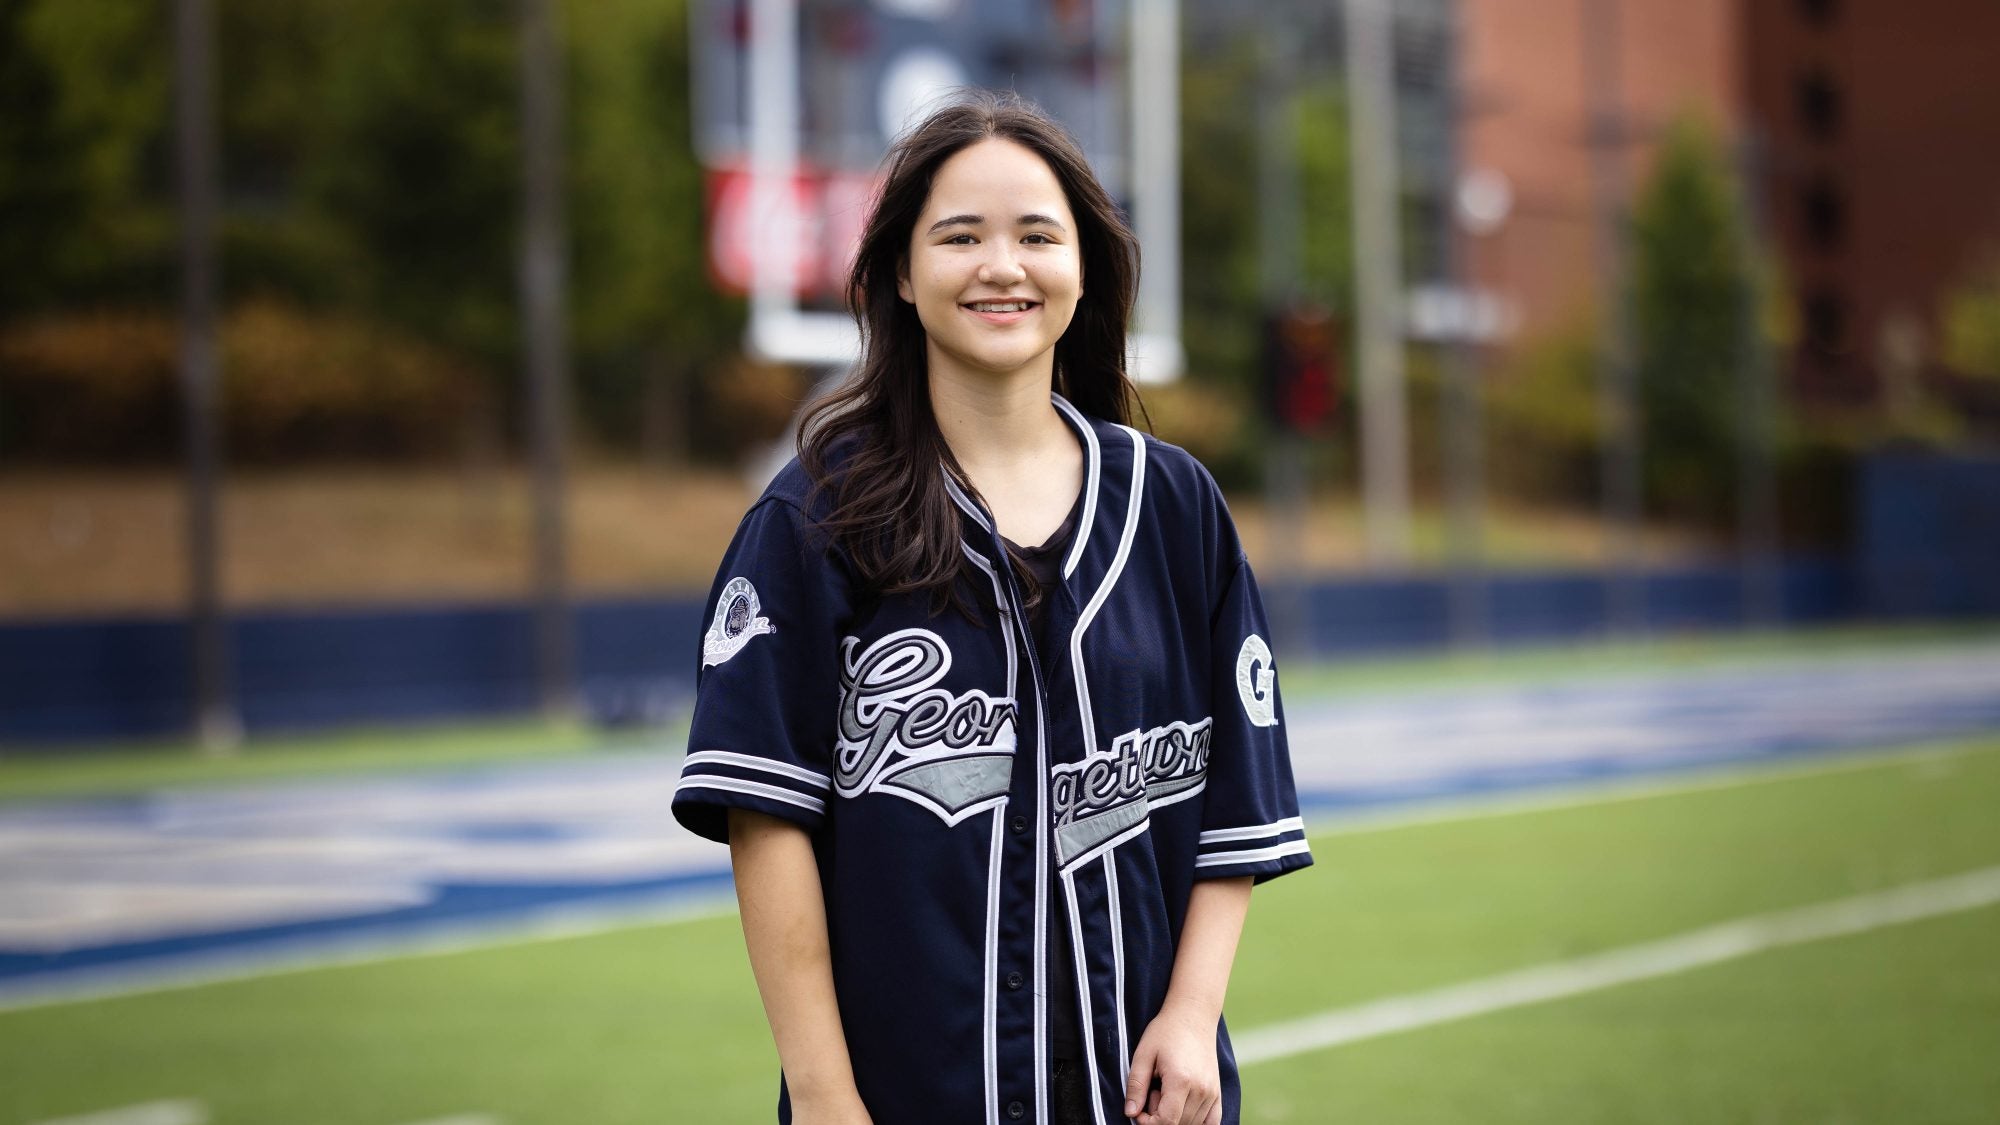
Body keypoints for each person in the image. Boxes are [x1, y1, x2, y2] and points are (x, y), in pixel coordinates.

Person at [673, 90, 1311, 1125]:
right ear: (900, 272)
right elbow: (767, 820)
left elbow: (1234, 804)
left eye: (1037, 237)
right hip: (900, 1097)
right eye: (960, 236)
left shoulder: (1174, 506)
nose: (1002, 266)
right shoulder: (815, 515)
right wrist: (825, 1096)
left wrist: (1193, 1015)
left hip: (1143, 1095)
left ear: (1085, 268)